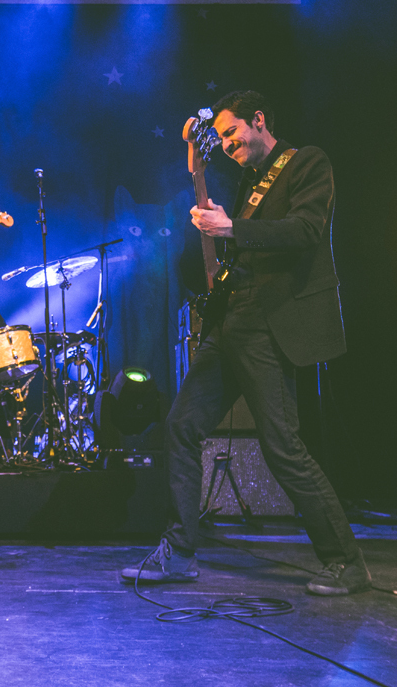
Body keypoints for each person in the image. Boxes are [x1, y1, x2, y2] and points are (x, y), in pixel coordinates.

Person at [121, 90, 369, 596]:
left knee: (282, 447)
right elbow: (241, 240)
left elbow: (305, 230)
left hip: (269, 323)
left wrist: (232, 226)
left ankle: (347, 562)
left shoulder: (306, 163)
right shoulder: (251, 182)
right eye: (222, 138)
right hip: (232, 319)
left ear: (259, 120)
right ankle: (180, 552)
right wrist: (218, 215)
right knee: (182, 425)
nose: (228, 144)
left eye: (233, 133)